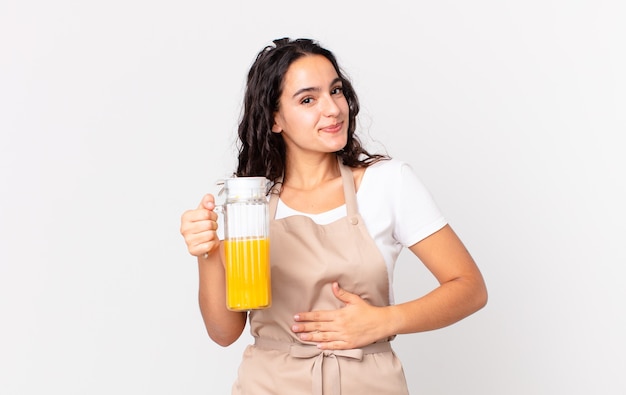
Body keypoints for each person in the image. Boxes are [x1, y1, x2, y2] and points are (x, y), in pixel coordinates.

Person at [180, 37, 487, 395]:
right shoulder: (250, 201)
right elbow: (224, 332)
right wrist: (207, 253)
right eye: (308, 99)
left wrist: (383, 320)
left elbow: (470, 287)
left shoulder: (388, 183)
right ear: (275, 118)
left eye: (336, 91)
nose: (333, 109)